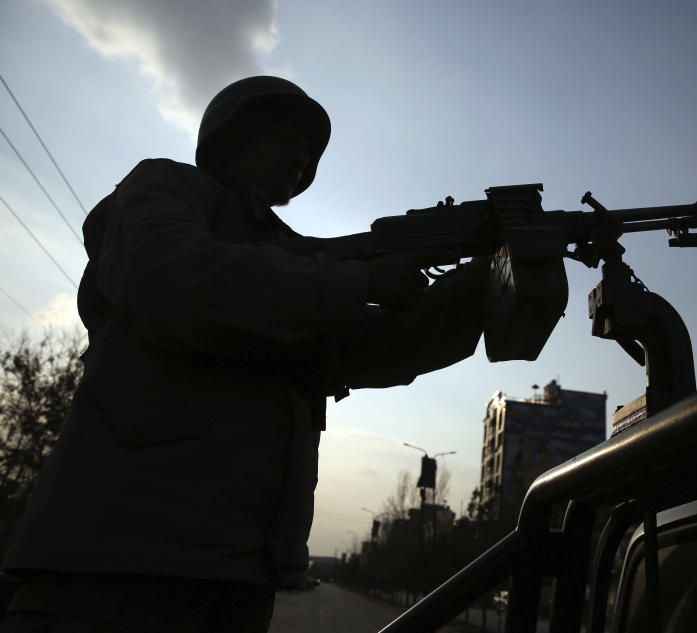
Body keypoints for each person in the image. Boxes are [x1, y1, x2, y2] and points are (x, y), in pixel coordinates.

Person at [0, 76, 487, 632]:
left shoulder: (296, 262)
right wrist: (358, 280)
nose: (300, 155)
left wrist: (486, 285)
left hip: (236, 569)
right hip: (112, 559)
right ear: (232, 137)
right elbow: (169, 277)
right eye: (283, 138)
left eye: (307, 151)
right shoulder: (166, 186)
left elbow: (378, 345)